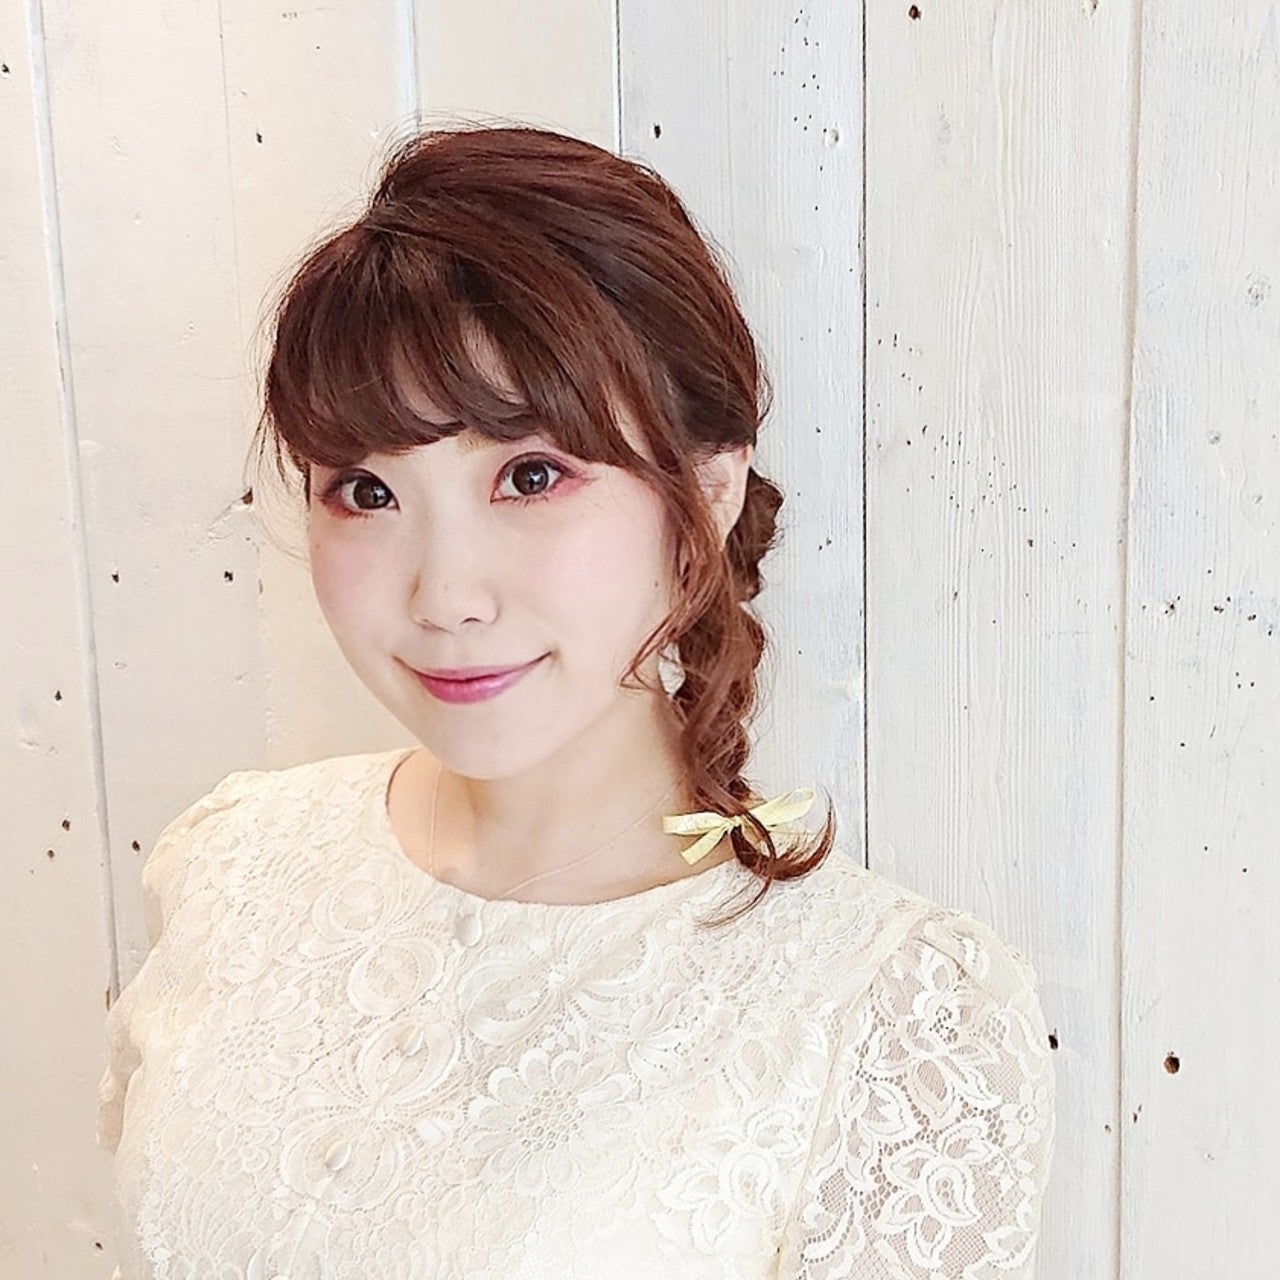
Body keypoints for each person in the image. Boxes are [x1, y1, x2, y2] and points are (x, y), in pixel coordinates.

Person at [97, 124, 1056, 1278]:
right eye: (365, 490)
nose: (444, 595)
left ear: (705, 488)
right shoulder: (230, 861)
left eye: (530, 475)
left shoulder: (894, 1015)